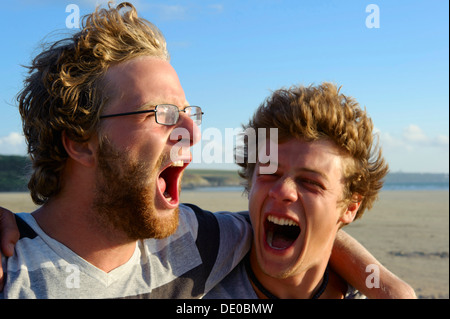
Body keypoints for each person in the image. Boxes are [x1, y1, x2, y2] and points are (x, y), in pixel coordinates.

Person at [0, 2, 414, 299]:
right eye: (162, 113)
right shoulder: (11, 271)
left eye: (188, 113)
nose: (191, 133)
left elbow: (309, 227)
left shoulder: (198, 242)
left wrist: (387, 285)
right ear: (79, 142)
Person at [205, 83, 417, 299]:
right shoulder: (194, 283)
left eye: (310, 182)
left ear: (351, 207)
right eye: (270, 174)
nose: (282, 190)